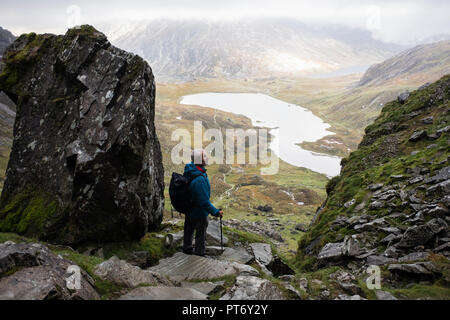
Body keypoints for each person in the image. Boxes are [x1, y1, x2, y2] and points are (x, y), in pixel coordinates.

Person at [182, 149, 224, 256]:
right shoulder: (199, 179)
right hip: (199, 212)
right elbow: (204, 202)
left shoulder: (191, 170)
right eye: (205, 156)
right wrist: (216, 212)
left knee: (189, 228)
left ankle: (186, 248)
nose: (208, 157)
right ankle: (199, 254)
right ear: (199, 160)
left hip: (189, 208)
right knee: (200, 234)